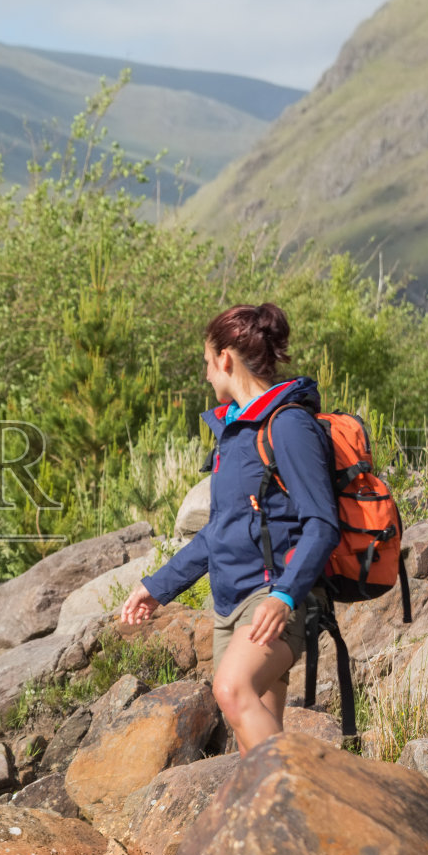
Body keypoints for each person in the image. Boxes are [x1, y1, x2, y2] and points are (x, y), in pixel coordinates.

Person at [120, 303, 338, 754]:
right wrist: (157, 587)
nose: (205, 375)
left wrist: (284, 595)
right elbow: (218, 531)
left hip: (272, 598)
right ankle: (285, 801)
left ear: (225, 358)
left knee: (231, 689)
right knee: (252, 750)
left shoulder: (288, 424)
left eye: (206, 362)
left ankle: (301, 791)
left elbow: (321, 522)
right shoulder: (235, 432)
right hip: (229, 606)